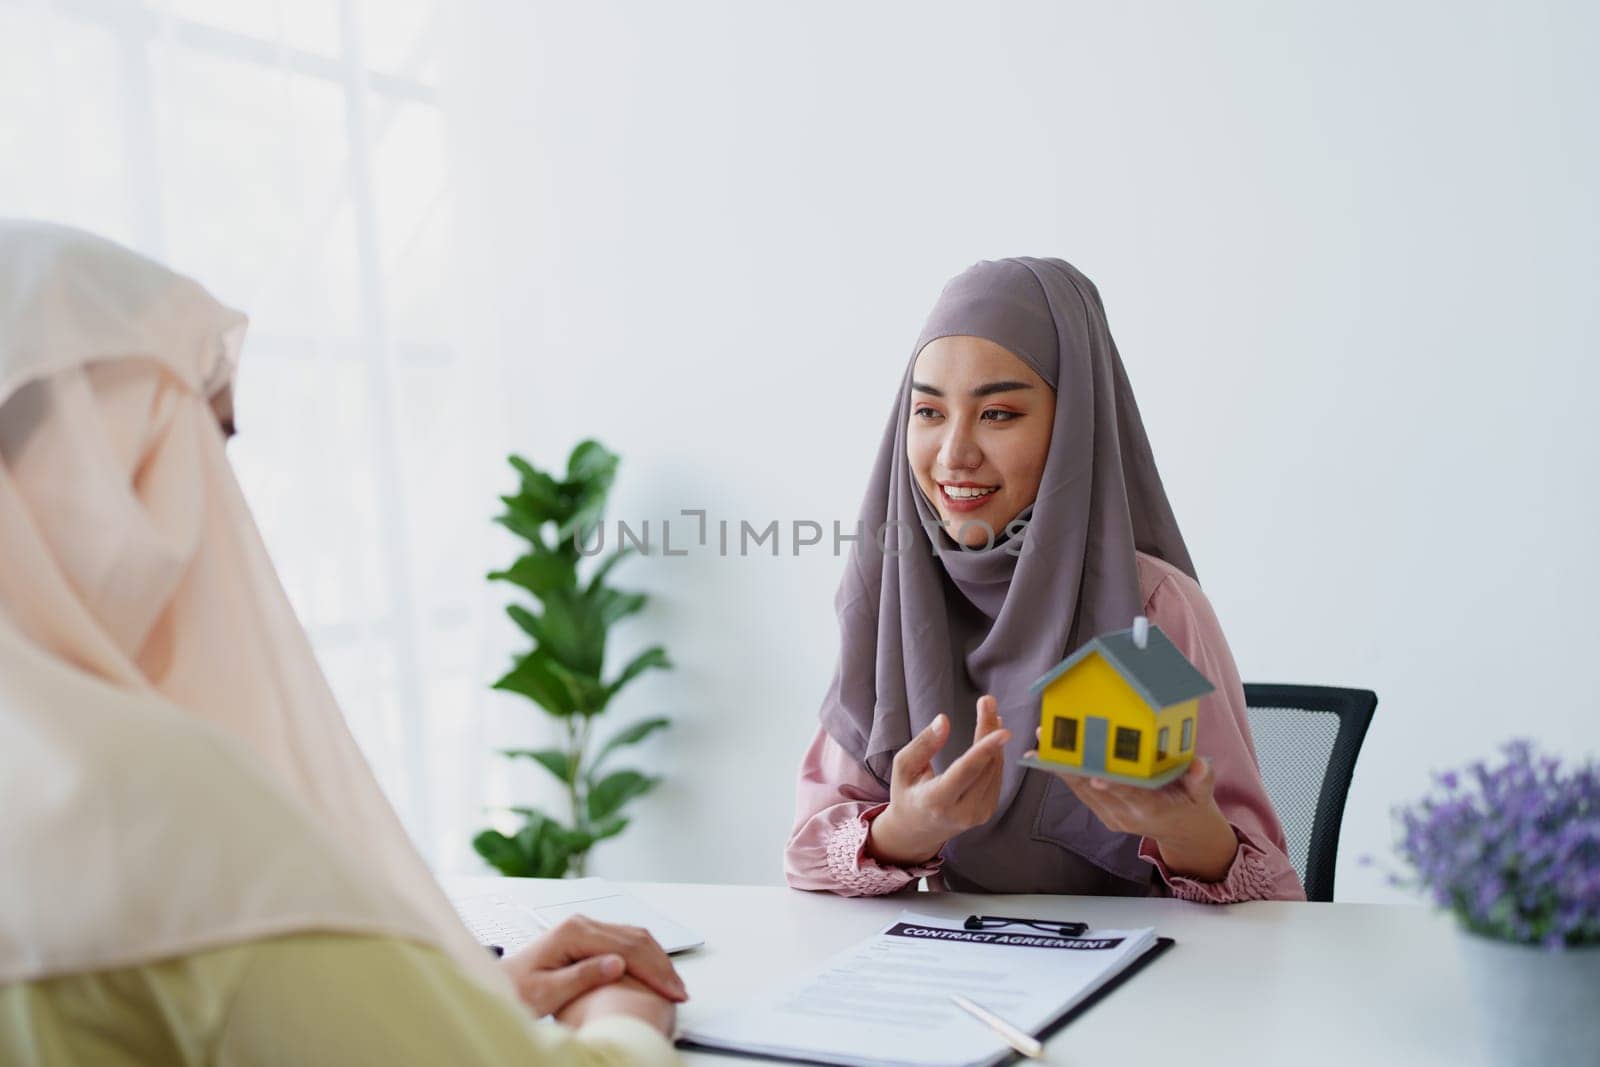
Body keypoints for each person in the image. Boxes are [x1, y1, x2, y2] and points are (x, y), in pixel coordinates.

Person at [0, 220, 685, 1065]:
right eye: (205, 443)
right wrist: (622, 1022)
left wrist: (450, 1008)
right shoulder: (146, 806)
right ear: (99, 478)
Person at [784, 257, 1304, 903]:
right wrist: (903, 830)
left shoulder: (1144, 611)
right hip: (950, 984)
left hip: (1145, 990)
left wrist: (1185, 829)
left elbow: (1276, 896)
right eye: (928, 412)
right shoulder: (897, 597)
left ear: (1074, 424)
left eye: (998, 413)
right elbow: (806, 857)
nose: (954, 454)